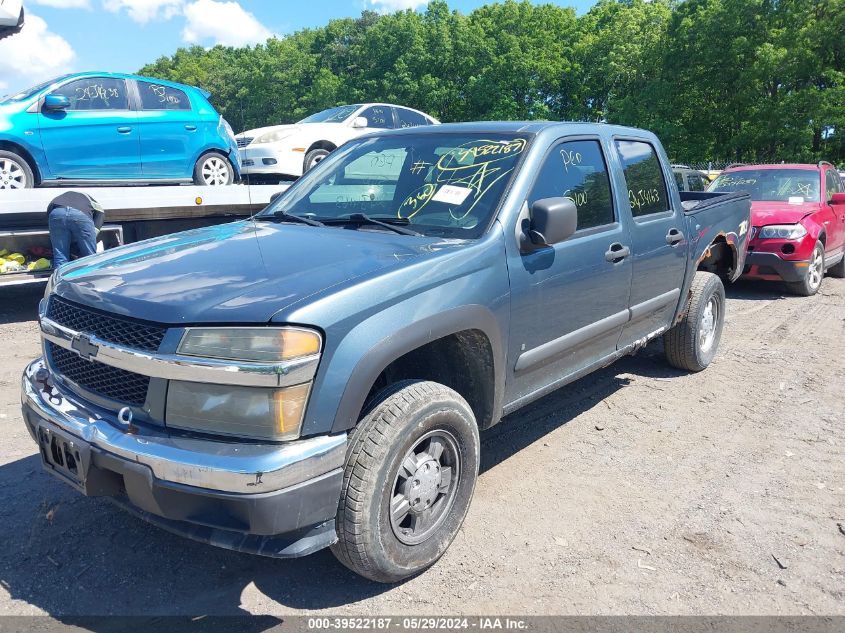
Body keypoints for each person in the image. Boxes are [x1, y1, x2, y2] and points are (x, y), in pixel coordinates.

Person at [47, 191, 105, 269]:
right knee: (89, 255)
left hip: (56, 213)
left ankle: (60, 280)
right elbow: (101, 212)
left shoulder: (57, 198)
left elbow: (49, 212)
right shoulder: (89, 198)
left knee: (60, 255)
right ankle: (90, 277)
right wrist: (94, 233)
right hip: (80, 214)